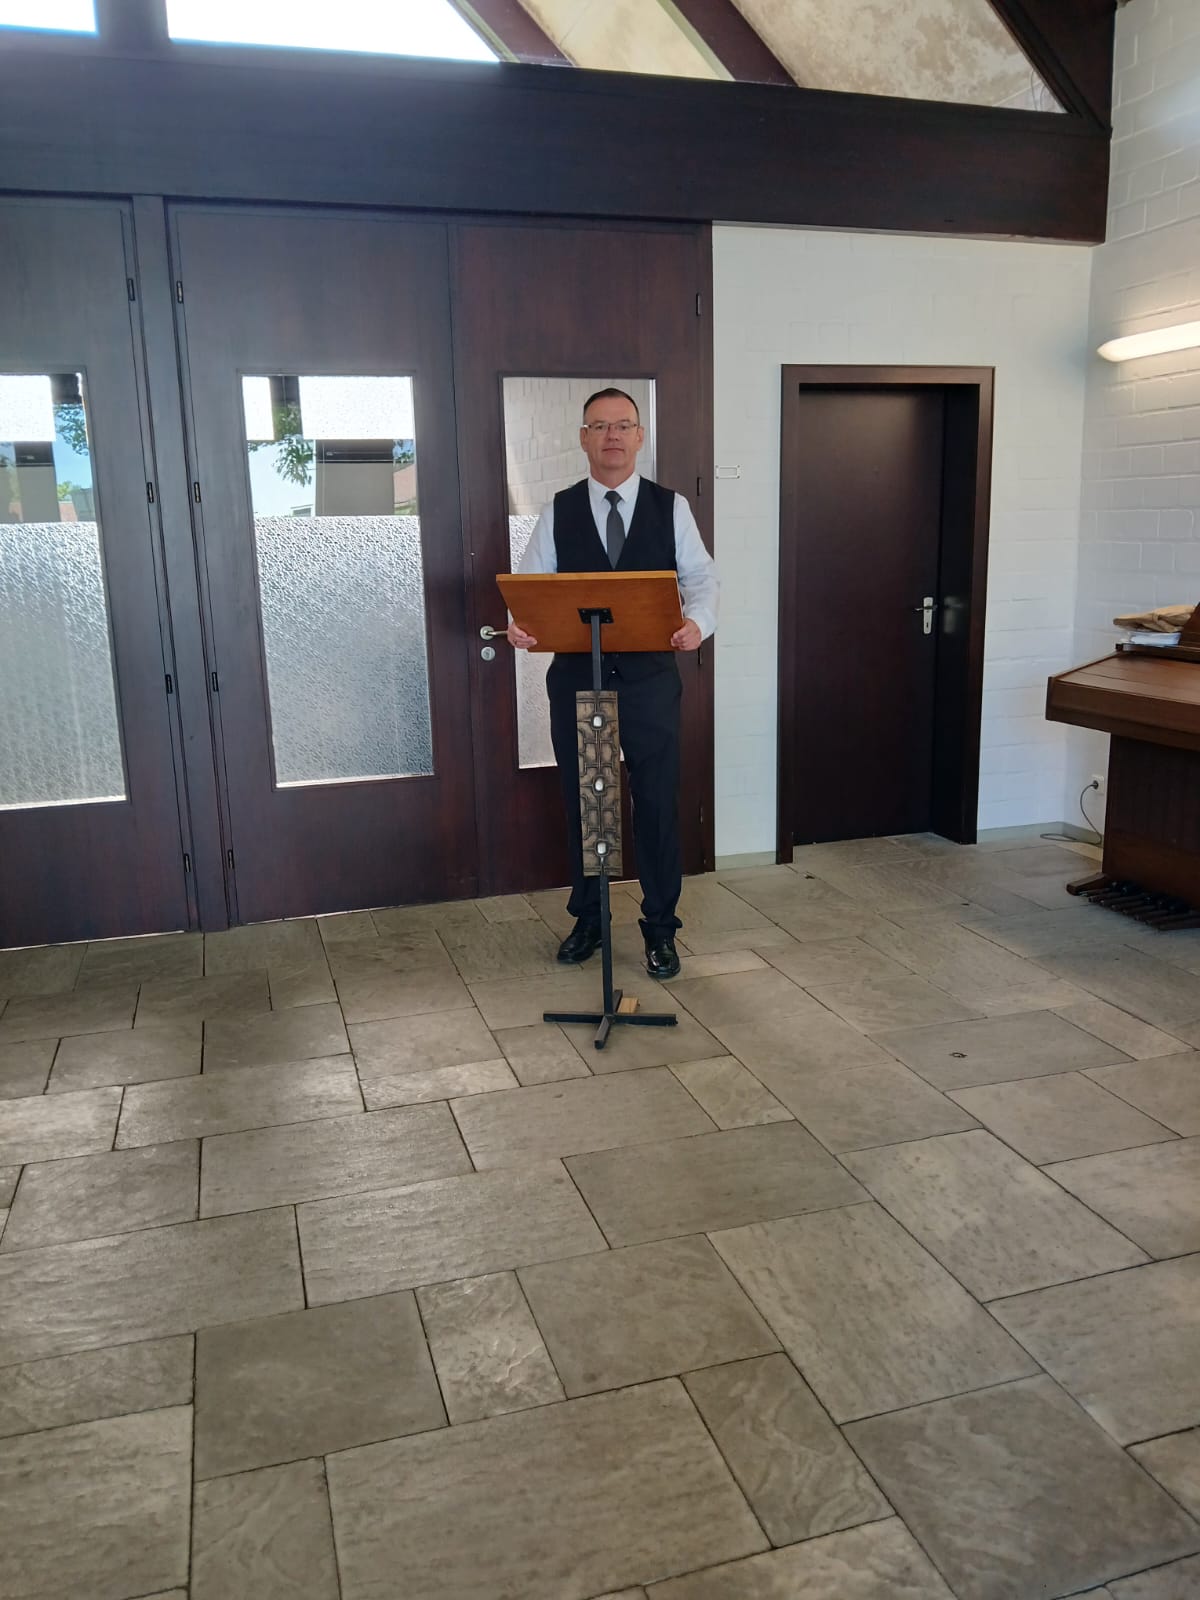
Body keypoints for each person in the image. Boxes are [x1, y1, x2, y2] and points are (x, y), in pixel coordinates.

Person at [507, 387, 718, 980]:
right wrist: (520, 624)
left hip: (651, 681)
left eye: (623, 425)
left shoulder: (671, 507)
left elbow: (702, 579)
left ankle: (661, 929)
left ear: (639, 435)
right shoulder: (560, 509)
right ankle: (591, 919)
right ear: (583, 437)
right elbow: (531, 586)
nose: (612, 436)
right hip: (582, 678)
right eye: (599, 426)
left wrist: (698, 624)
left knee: (656, 803)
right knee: (591, 802)